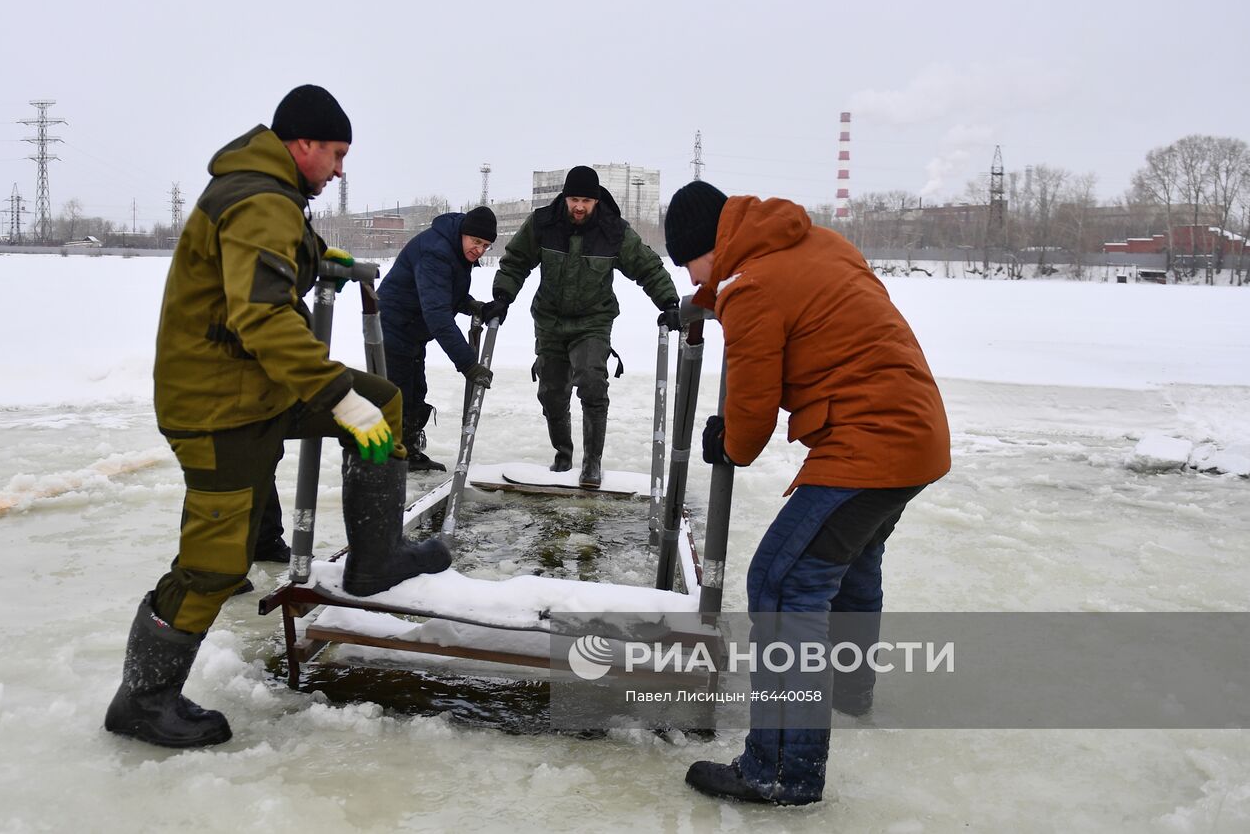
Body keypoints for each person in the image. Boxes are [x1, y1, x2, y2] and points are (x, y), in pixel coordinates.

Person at [104, 85, 451, 749]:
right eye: (337, 154)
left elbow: (280, 255)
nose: (341, 169)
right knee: (215, 561)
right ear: (303, 146)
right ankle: (142, 701)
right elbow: (260, 314)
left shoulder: (272, 194)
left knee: (381, 401)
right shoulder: (262, 199)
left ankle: (375, 561)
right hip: (217, 407)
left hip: (251, 388)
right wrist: (334, 397)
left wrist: (326, 260)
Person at [662, 180, 951, 806]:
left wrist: (731, 444)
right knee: (848, 568)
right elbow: (778, 299)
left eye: (687, 261)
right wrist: (699, 304)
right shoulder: (814, 244)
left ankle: (780, 770)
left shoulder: (752, 287)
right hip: (916, 435)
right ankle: (848, 692)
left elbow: (753, 403)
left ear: (709, 245)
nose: (689, 273)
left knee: (783, 582)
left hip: (867, 441)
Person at [490, 166, 681, 488]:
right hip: (549, 320)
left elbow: (647, 267)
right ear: (565, 198)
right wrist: (502, 297)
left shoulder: (613, 231)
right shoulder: (542, 224)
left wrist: (669, 303)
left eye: (586, 201)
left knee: (592, 381)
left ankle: (592, 461)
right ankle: (563, 454)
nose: (579, 207)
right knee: (551, 393)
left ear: (596, 201)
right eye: (574, 199)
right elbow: (515, 261)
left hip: (593, 321)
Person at [376, 206, 499, 472]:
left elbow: (443, 293)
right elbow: (438, 315)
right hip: (393, 324)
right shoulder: (436, 252)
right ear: (464, 234)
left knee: (415, 390)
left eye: (486, 245)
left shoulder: (453, 249)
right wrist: (468, 364)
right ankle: (387, 463)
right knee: (396, 393)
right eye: (476, 242)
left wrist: (473, 306)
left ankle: (406, 452)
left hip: (413, 329)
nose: (479, 250)